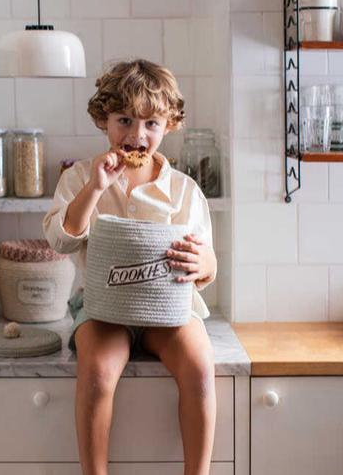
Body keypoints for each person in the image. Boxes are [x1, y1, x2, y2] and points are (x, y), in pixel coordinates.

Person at [43, 59, 217, 475]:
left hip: (170, 311)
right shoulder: (80, 178)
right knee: (99, 372)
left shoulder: (184, 190)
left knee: (199, 368)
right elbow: (61, 239)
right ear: (104, 120)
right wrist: (95, 188)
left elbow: (207, 260)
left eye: (151, 124)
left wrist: (203, 263)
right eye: (124, 120)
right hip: (103, 310)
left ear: (169, 125)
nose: (137, 135)